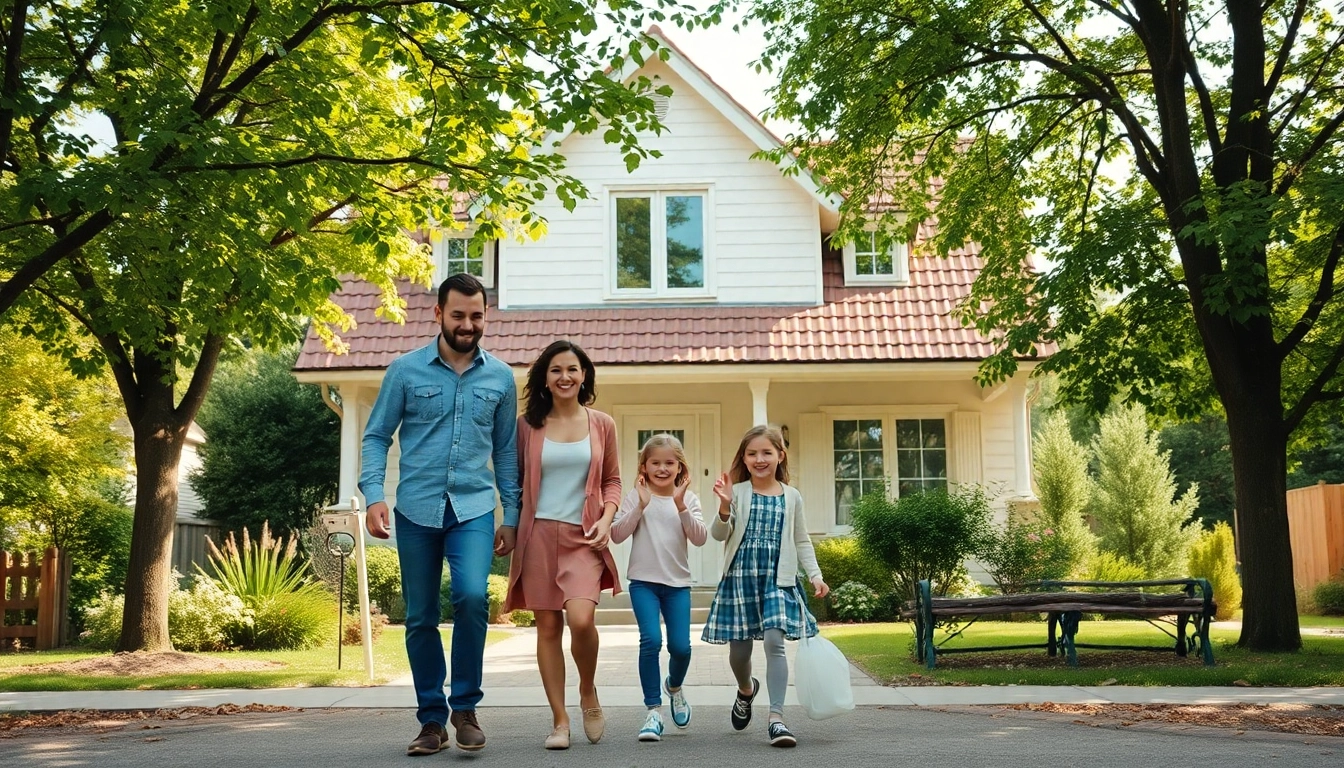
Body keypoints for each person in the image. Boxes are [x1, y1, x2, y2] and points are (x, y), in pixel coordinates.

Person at [359, 273, 520, 756]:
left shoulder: (501, 378)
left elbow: (507, 452)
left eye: (476, 316)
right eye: (458, 315)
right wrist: (373, 494)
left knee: (472, 597)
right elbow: (375, 436)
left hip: (473, 507)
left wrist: (510, 514)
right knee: (420, 616)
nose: (467, 324)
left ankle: (465, 707)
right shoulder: (405, 371)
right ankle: (431, 721)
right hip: (415, 508)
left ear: (485, 316)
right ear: (438, 315)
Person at [503, 340, 622, 750]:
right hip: (537, 536)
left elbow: (612, 481)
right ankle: (559, 720)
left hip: (583, 537)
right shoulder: (527, 425)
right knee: (548, 626)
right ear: (545, 379)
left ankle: (587, 690)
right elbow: (513, 483)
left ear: (584, 374)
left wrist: (607, 517)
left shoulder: (602, 423)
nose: (565, 376)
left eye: (572, 369)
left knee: (582, 619)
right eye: (556, 370)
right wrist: (508, 527)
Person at [701, 424, 829, 748]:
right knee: (739, 651)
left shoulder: (792, 496)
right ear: (743, 459)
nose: (760, 459)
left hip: (778, 578)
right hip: (741, 578)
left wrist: (815, 575)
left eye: (766, 452)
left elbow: (801, 540)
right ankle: (746, 689)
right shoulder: (738, 492)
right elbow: (718, 535)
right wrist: (724, 506)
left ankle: (776, 719)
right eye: (752, 453)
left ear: (780, 455)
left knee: (775, 641)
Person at [610, 433, 708, 742]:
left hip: (678, 585)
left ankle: (674, 687)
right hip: (643, 583)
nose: (662, 468)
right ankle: (653, 711)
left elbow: (700, 537)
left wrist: (680, 506)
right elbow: (616, 534)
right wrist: (639, 506)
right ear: (644, 466)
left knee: (681, 647)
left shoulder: (689, 499)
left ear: (680, 467)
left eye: (669, 463)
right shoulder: (635, 496)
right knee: (650, 641)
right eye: (656, 463)